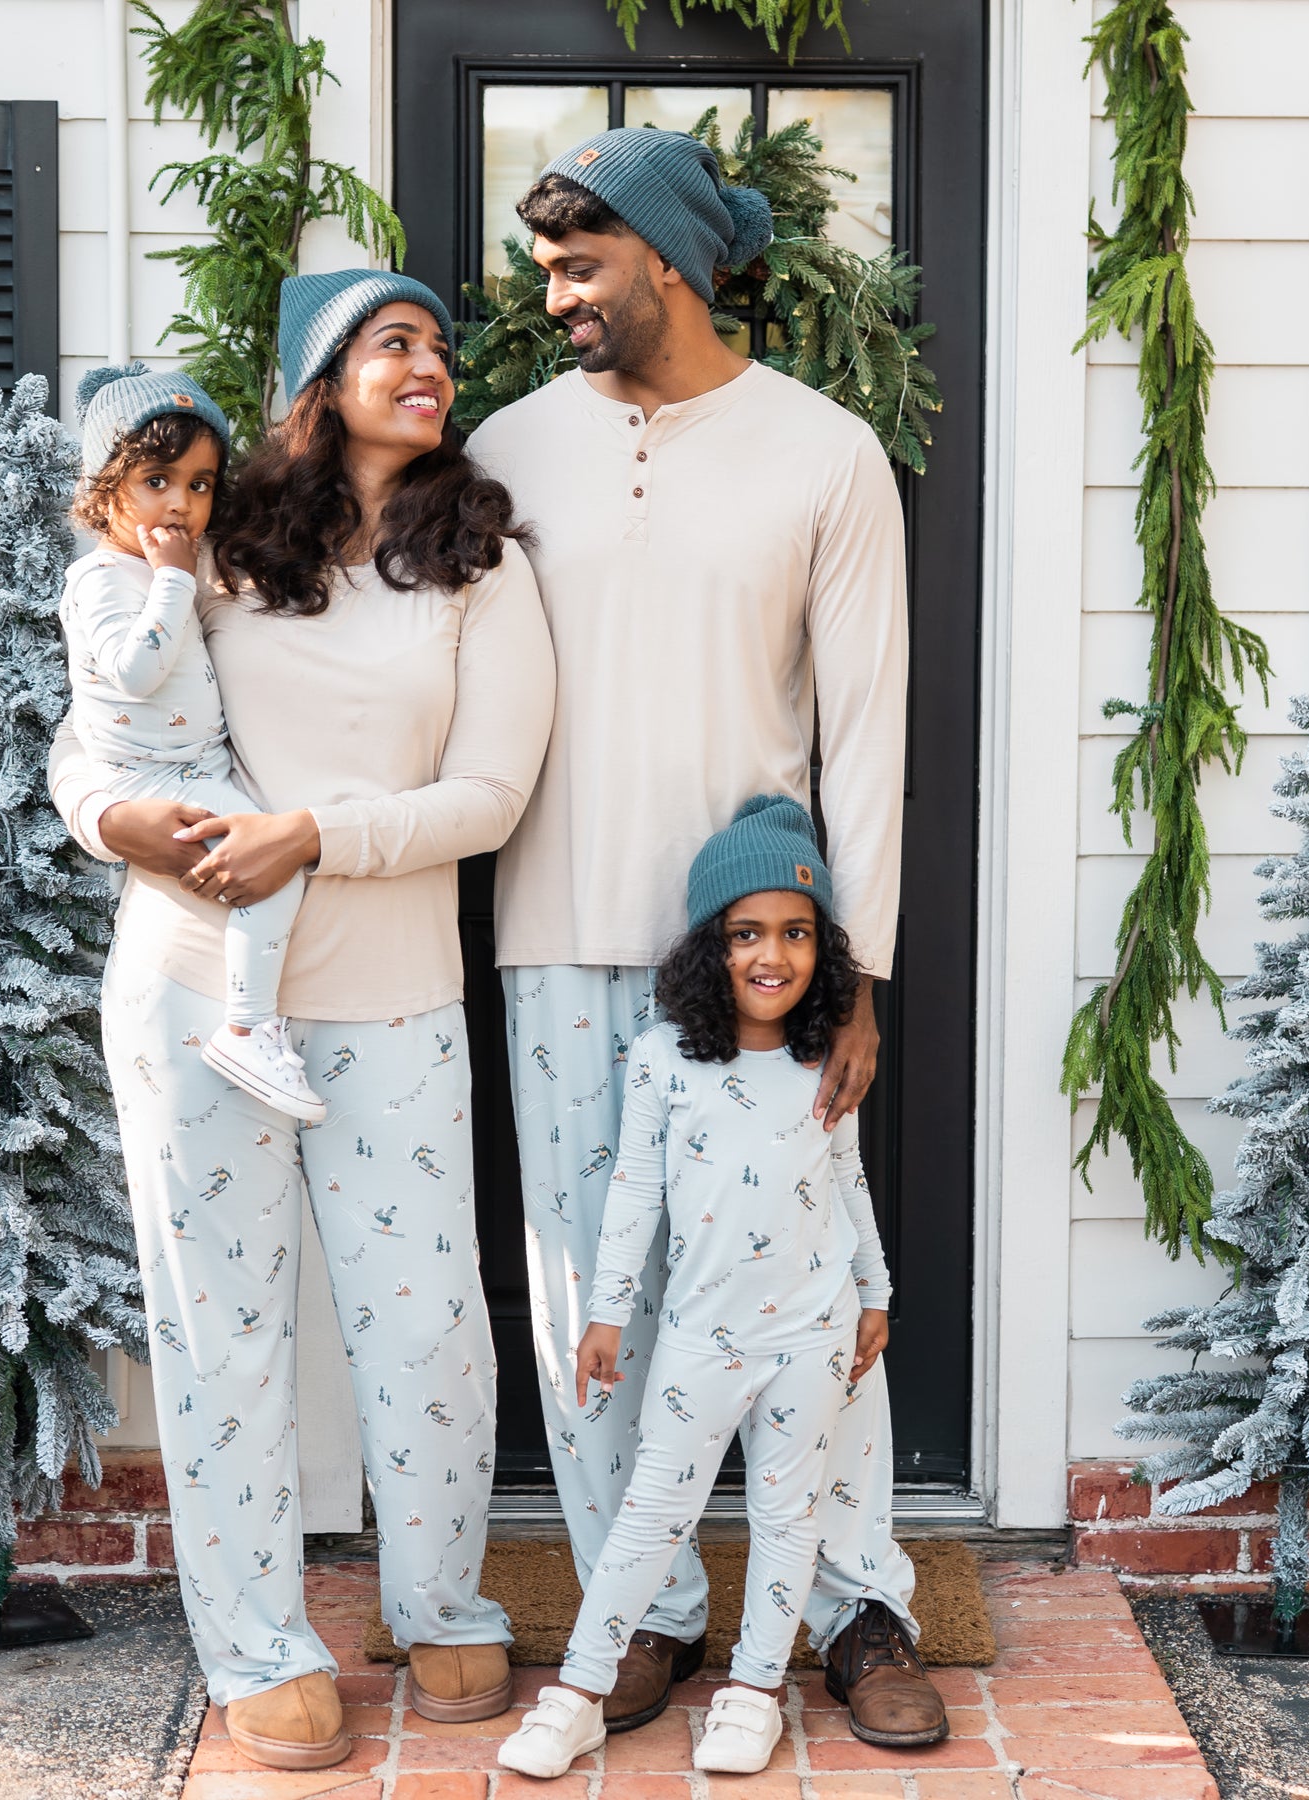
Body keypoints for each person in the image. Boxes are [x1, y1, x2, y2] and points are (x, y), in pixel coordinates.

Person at [469, 127, 948, 1746]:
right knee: (588, 1304)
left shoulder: (825, 454)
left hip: (766, 965)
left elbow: (870, 731)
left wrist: (862, 972)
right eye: (547, 265)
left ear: (668, 257)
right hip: (550, 929)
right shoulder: (508, 447)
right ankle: (648, 1604)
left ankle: (855, 1601)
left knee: (814, 1291)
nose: (555, 296)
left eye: (579, 265)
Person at [47, 270, 555, 1771]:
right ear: (320, 373)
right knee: (225, 1336)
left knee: (431, 1333)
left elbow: (491, 796)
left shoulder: (482, 562)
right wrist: (110, 820)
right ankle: (257, 1643)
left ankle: (440, 1592)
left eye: (443, 348)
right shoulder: (222, 538)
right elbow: (96, 725)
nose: (431, 366)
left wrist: (315, 835)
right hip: (195, 991)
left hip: (392, 997)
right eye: (395, 342)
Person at [498, 796, 894, 1779]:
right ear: (709, 947)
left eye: (796, 933)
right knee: (650, 1513)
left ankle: (756, 1691)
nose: (773, 955)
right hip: (700, 1340)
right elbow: (632, 1196)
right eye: (747, 933)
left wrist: (876, 1292)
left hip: (812, 1332)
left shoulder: (821, 1066)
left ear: (822, 949)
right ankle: (581, 1690)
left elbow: (849, 1187)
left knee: (785, 1515)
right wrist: (602, 1315)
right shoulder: (667, 1060)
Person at [61, 363, 323, 1121]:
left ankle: (248, 1019)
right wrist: (175, 578)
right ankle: (247, 1027)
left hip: (195, 763)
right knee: (273, 874)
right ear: (105, 488)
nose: (180, 503)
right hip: (156, 778)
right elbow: (137, 671)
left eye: (201, 485)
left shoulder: (162, 564)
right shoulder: (104, 580)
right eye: (156, 481)